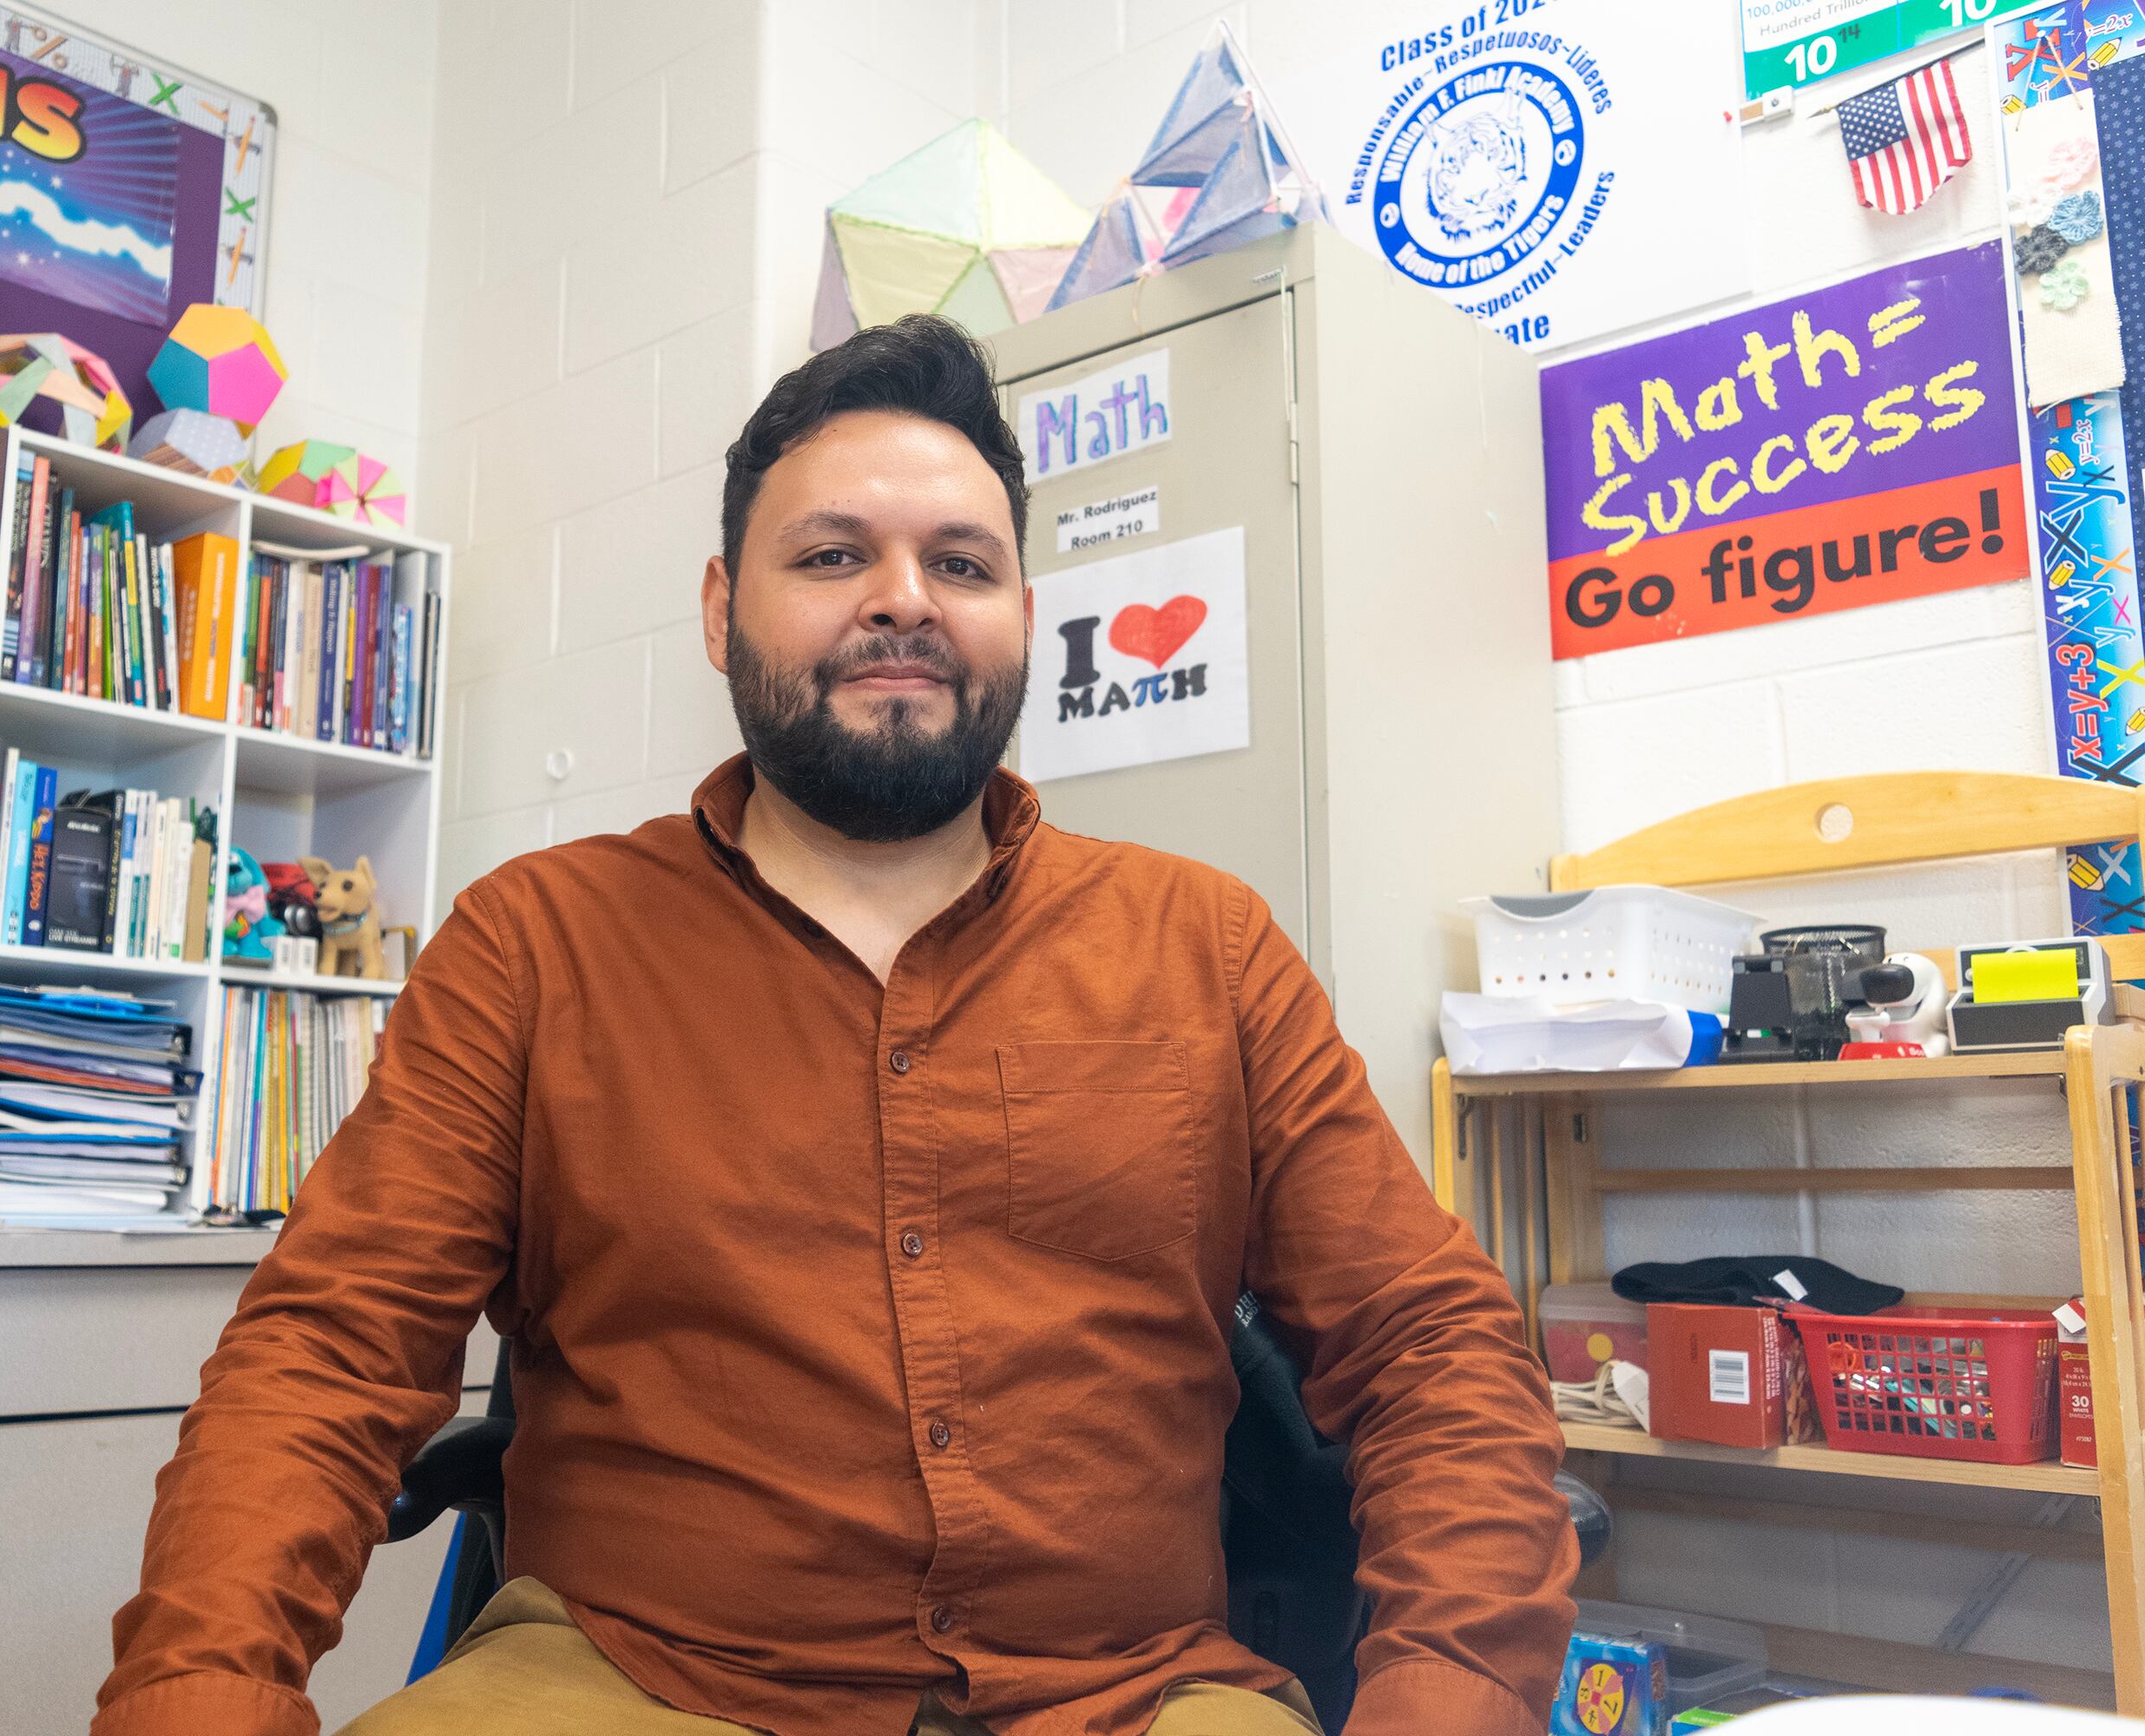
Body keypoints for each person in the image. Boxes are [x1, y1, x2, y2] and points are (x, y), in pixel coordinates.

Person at [92, 315, 1575, 1736]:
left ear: (1020, 621)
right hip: (628, 1682)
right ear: (719, 606)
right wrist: (203, 1697)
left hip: (1130, 1695)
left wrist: (1443, 1704)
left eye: (962, 562)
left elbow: (1431, 1349)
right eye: (831, 555)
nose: (905, 597)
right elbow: (329, 1357)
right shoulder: (536, 946)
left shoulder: (1208, 945)